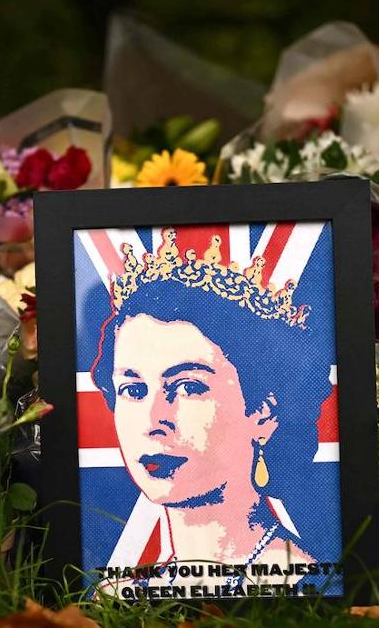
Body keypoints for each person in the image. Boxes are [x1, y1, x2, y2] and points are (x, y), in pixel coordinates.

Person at [88, 229, 337, 596]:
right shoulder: (117, 598)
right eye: (134, 390)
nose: (153, 420)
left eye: (188, 387)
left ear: (264, 413)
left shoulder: (308, 585)